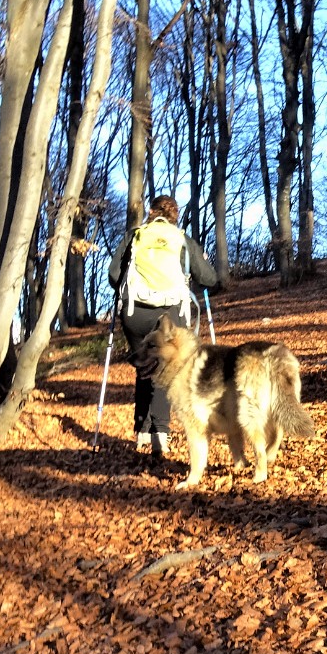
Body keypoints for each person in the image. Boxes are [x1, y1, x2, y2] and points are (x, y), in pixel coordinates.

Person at [108, 195, 219, 457]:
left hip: (135, 313)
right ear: (175, 215)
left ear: (150, 211)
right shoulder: (182, 239)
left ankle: (142, 431)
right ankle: (160, 433)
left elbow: (114, 275)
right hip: (170, 315)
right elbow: (210, 278)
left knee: (145, 365)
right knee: (165, 371)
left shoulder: (135, 236)